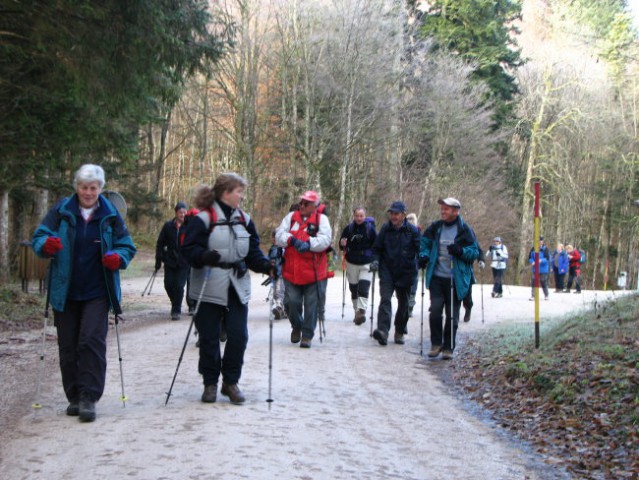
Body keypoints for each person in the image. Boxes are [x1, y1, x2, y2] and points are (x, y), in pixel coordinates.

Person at [31, 164, 137, 422]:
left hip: (98, 290)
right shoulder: (61, 210)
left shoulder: (110, 214)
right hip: (64, 289)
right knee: (67, 345)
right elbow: (39, 237)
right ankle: (74, 397)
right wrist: (47, 244)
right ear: (76, 187)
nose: (88, 192)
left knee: (90, 341)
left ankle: (89, 398)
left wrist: (118, 257)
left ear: (100, 188)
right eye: (83, 187)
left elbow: (127, 246)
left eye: (93, 188)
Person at [181, 174, 274, 404]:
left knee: (239, 336)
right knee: (210, 338)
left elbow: (252, 253)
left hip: (236, 285)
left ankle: (230, 383)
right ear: (225, 193)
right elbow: (187, 249)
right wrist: (203, 256)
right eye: (239, 191)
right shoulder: (203, 219)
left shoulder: (245, 219)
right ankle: (210, 384)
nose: (242, 196)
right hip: (208, 284)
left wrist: (267, 266)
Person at [419, 198, 479, 360]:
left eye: (446, 209)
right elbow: (423, 244)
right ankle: (436, 344)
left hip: (455, 279)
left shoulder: (465, 230)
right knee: (435, 311)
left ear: (456, 211)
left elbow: (474, 252)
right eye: (442, 208)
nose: (443, 211)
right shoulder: (435, 227)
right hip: (437, 277)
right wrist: (423, 255)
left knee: (452, 315)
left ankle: (448, 347)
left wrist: (460, 251)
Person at [275, 190, 332, 349]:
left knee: (312, 304)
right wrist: (291, 240)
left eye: (306, 203)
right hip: (291, 270)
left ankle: (307, 335)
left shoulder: (322, 220)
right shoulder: (291, 217)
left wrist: (308, 244)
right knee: (291, 302)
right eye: (301, 202)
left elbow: (325, 240)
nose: (302, 205)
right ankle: (297, 325)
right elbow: (279, 235)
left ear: (314, 206)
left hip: (314, 271)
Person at [370, 201, 421, 346]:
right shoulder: (386, 229)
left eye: (396, 213)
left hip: (406, 272)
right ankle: (383, 332)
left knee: (403, 304)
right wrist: (375, 261)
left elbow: (420, 248)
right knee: (385, 299)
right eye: (391, 213)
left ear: (404, 215)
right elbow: (377, 248)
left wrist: (423, 259)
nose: (393, 216)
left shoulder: (412, 231)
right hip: (387, 270)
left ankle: (399, 331)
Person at [339, 207, 377, 325]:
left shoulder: (370, 229)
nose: (359, 218)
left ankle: (361, 311)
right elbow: (341, 245)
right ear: (354, 216)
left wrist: (376, 260)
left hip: (366, 262)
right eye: (357, 216)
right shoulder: (348, 229)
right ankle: (357, 312)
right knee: (354, 289)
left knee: (364, 288)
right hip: (351, 262)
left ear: (365, 216)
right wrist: (342, 244)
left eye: (361, 216)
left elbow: (377, 246)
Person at [155, 202, 191, 320]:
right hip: (170, 261)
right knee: (168, 284)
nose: (182, 214)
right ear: (176, 213)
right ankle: (175, 301)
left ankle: (176, 309)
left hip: (184, 261)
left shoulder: (190, 227)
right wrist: (159, 259)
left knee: (179, 286)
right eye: (180, 212)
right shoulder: (168, 226)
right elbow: (160, 243)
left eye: (184, 212)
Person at [462, 244, 485, 322]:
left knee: (467, 294)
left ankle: (468, 308)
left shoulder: (468, 234)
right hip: (451, 270)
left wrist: (481, 260)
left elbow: (478, 249)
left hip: (466, 269)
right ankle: (453, 315)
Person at [267, 229, 286, 319]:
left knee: (279, 291)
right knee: (276, 292)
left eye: (276, 239)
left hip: (281, 273)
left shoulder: (282, 249)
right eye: (273, 239)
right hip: (276, 273)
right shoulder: (273, 248)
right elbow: (269, 260)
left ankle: (280, 307)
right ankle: (281, 308)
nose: (274, 241)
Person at [406, 213, 421, 319]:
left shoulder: (418, 233)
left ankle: (409, 307)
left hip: (414, 263)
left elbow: (421, 248)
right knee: (405, 286)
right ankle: (406, 306)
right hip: (403, 264)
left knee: (413, 286)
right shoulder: (402, 232)